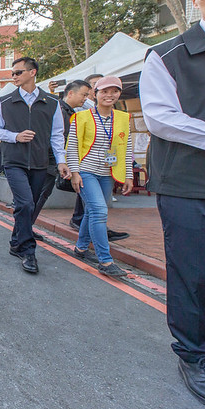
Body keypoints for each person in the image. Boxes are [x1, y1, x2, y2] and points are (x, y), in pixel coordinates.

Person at [141, 0, 205, 409]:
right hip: (189, 184)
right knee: (194, 272)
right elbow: (161, 119)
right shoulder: (168, 55)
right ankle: (196, 353)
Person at [0, 56, 71, 274]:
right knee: (24, 204)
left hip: (40, 162)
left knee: (30, 205)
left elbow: (56, 135)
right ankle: (28, 251)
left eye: (18, 72)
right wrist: (15, 136)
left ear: (32, 72)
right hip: (14, 161)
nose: (14, 77)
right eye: (12, 73)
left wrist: (61, 161)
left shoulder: (51, 102)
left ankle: (16, 241)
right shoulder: (5, 101)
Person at [66, 76, 133, 276]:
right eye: (104, 91)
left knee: (92, 212)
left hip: (107, 173)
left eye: (114, 91)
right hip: (86, 171)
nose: (109, 95)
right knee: (99, 211)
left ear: (119, 94)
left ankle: (80, 248)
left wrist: (128, 175)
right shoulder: (81, 117)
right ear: (95, 94)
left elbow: (126, 148)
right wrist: (75, 173)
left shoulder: (123, 118)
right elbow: (72, 147)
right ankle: (105, 261)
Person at [30, 79, 91, 235]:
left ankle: (25, 229)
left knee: (39, 197)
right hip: (49, 163)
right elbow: (57, 138)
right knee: (39, 197)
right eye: (83, 95)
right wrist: (59, 161)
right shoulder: (61, 111)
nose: (85, 99)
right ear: (70, 93)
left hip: (51, 162)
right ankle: (24, 231)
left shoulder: (69, 112)